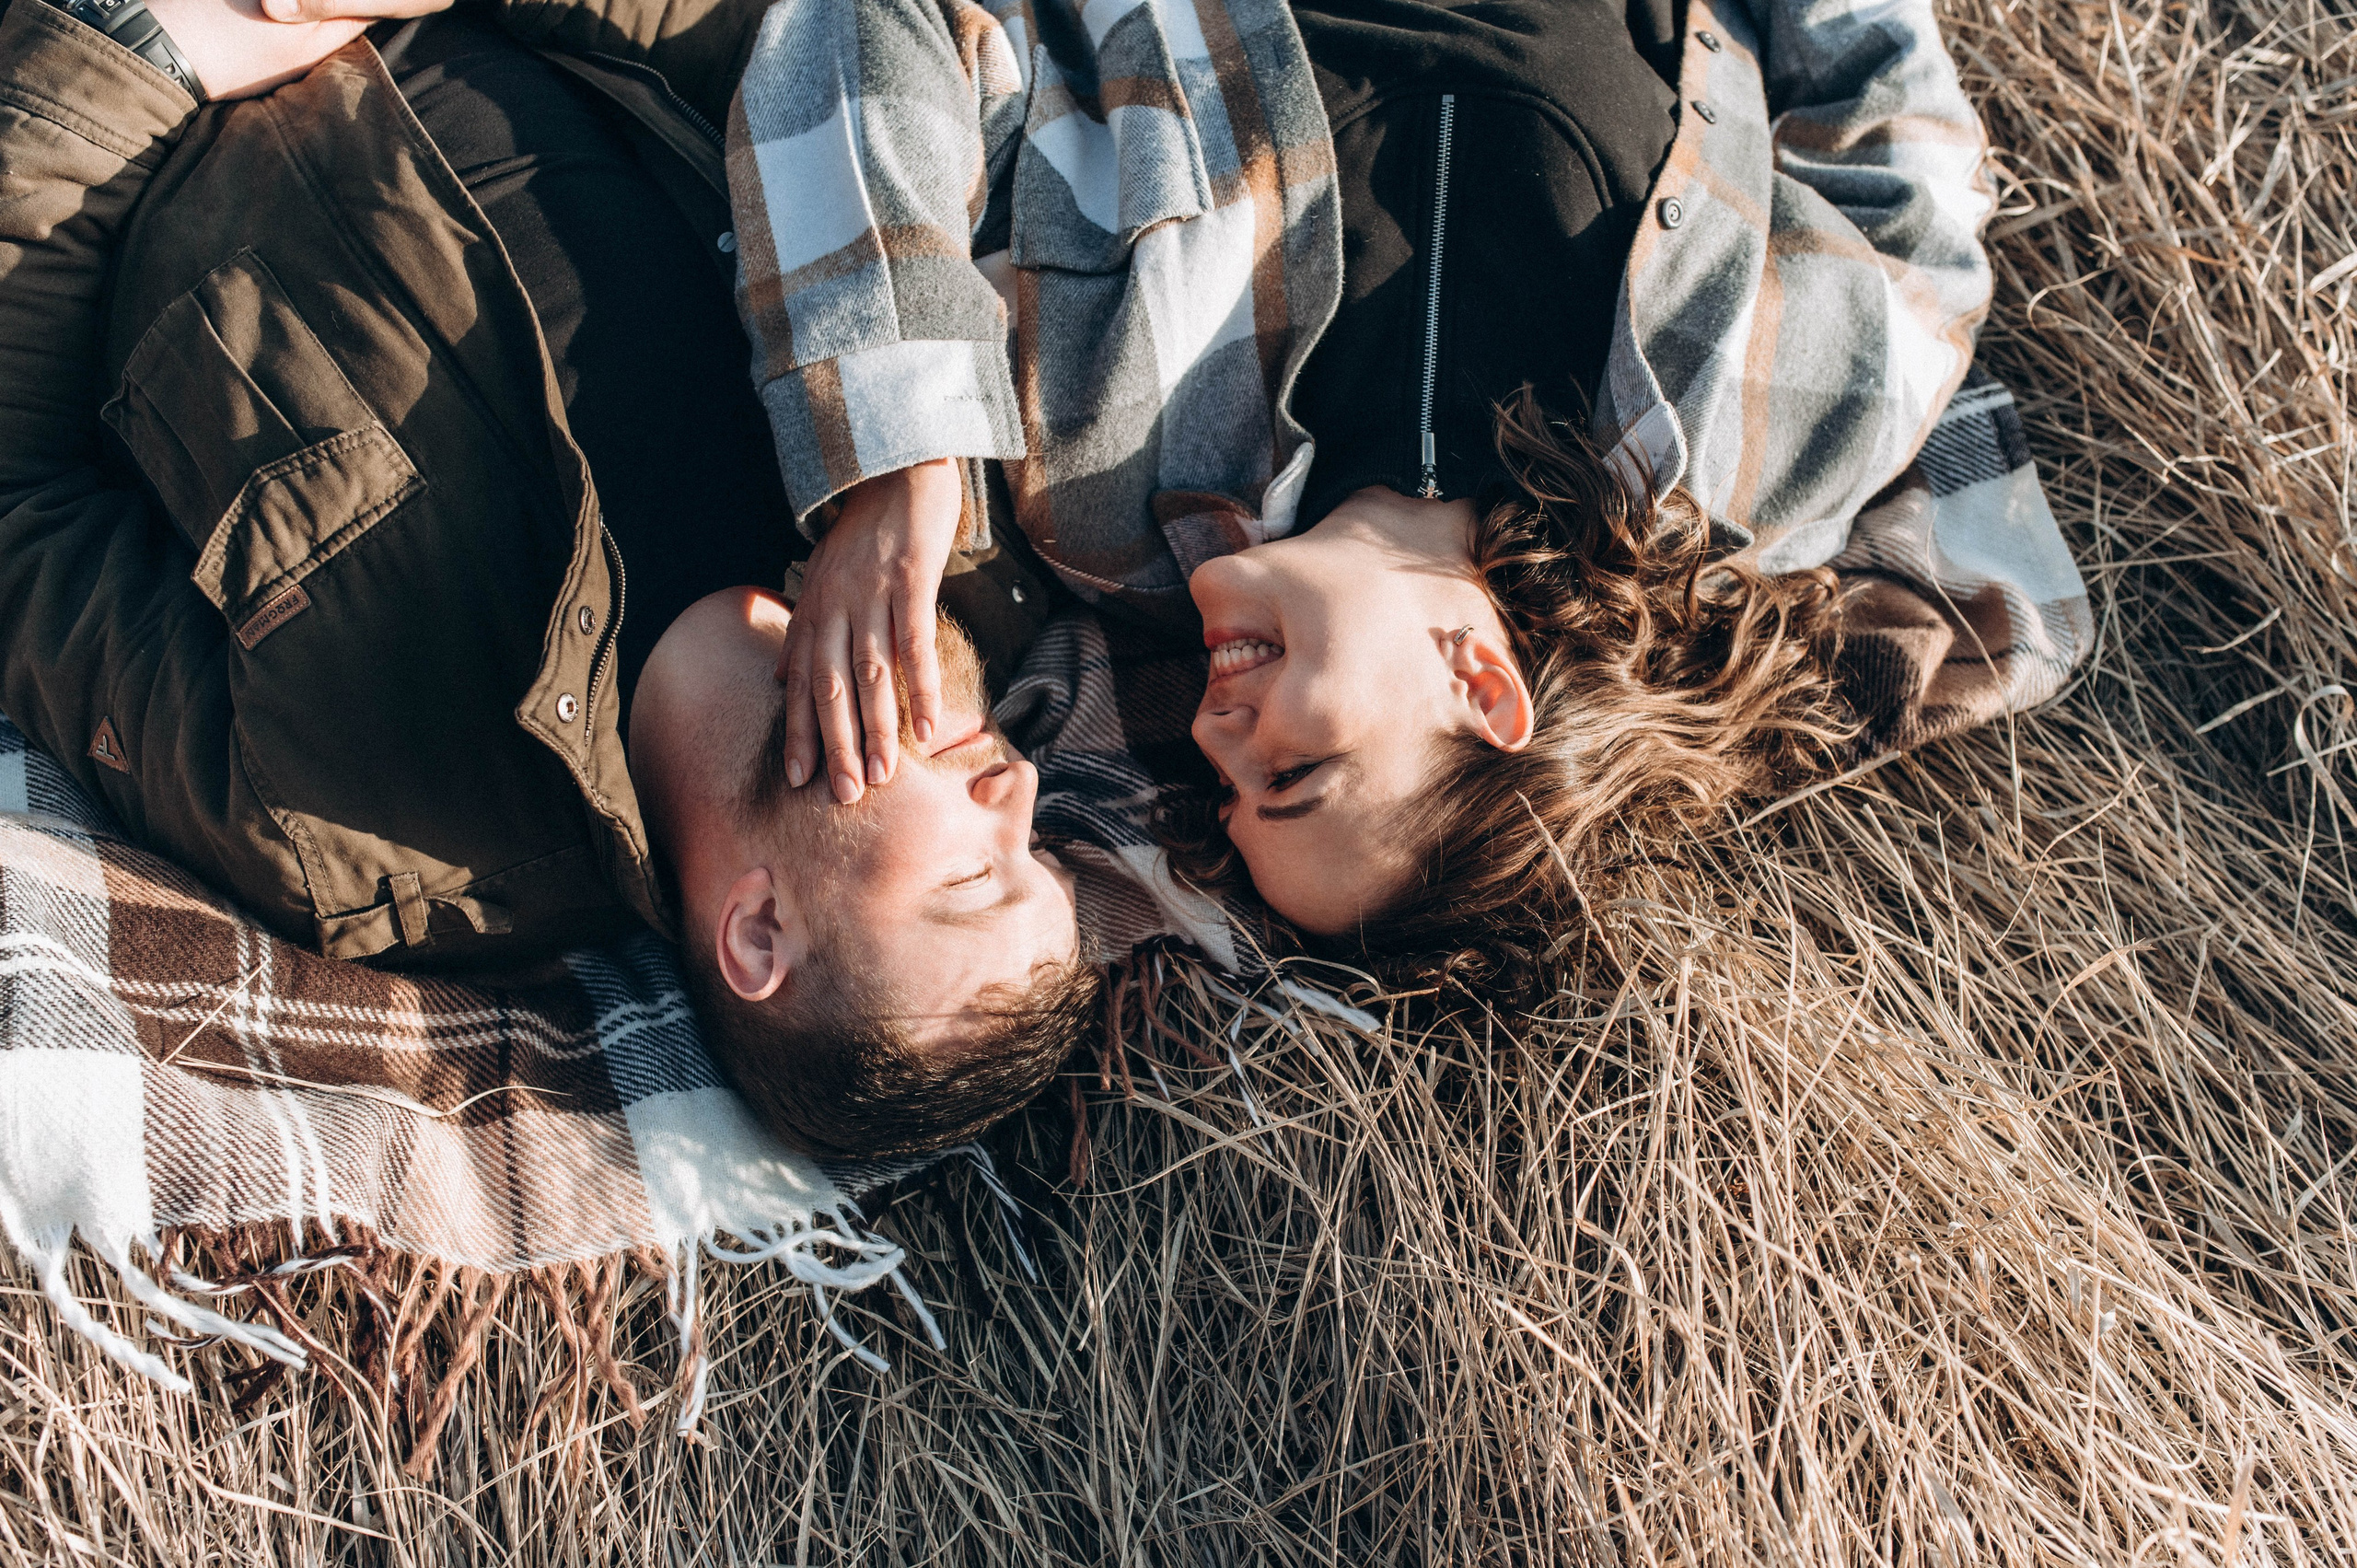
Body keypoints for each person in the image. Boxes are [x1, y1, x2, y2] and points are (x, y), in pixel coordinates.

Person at [729, 0, 2094, 997]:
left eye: (1223, 786)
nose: (1216, 726)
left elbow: (876, 30)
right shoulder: (1757, 446)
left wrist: (897, 453)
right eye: (1294, 773)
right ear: (1480, 683)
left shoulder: (1092, 470)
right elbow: (1910, 184)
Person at [0, 0, 1105, 1156]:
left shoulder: (342, 814)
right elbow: (837, 35)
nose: (1018, 790)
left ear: (761, 932)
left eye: (980, 877)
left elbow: (17, 497)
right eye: (1042, 851)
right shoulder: (973, 526)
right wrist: (901, 438)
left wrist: (142, 49)